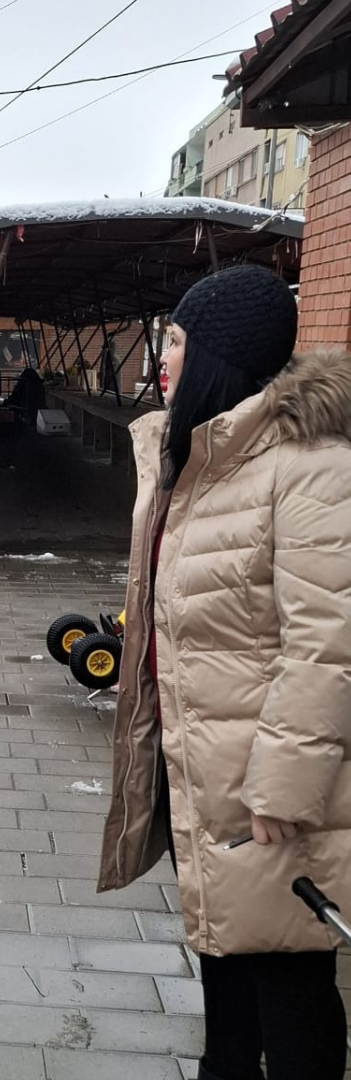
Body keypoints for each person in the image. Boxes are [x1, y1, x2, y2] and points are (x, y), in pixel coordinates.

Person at [98, 264, 351, 1080]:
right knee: (221, 951)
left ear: (217, 356)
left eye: (175, 342)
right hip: (199, 769)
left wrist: (282, 787)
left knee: (290, 978)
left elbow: (328, 643)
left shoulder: (308, 467)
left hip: (268, 787)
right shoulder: (198, 458)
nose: (162, 359)